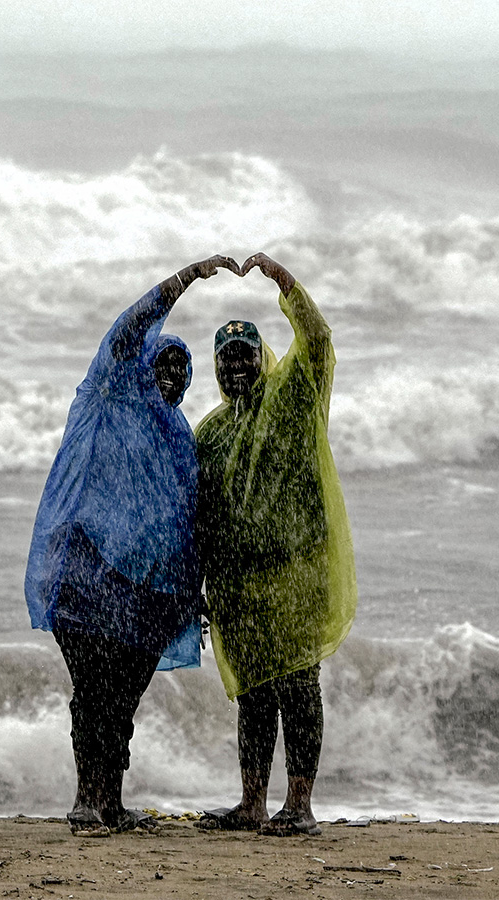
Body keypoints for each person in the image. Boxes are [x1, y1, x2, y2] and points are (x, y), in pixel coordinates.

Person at [25, 254, 241, 835]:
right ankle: (85, 800)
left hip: (151, 591)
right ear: (142, 365)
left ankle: (111, 803)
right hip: (88, 570)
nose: (170, 376)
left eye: (180, 370)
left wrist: (191, 590)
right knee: (92, 692)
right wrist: (183, 281)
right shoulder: (110, 393)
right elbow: (126, 333)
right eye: (162, 364)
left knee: (122, 701)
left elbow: (187, 518)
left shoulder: (177, 434)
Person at [194, 252, 358, 836]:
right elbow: (199, 516)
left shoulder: (290, 401)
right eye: (226, 357)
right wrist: (196, 590)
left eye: (245, 354)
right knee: (256, 698)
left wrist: (284, 282)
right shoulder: (210, 432)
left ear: (260, 358)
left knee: (298, 687)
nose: (237, 365)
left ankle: (301, 806)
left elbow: (316, 342)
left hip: (295, 576)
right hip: (238, 589)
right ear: (216, 367)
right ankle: (252, 803)